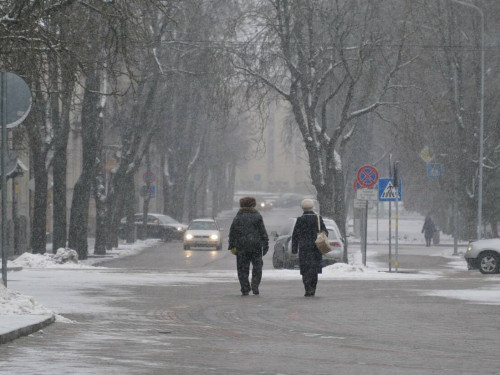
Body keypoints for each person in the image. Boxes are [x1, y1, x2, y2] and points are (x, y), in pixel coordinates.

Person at [228, 196, 269, 296]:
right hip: (256, 246)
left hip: (241, 247)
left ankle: (245, 287)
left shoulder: (238, 217)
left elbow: (232, 233)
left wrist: (232, 246)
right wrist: (265, 244)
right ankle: (255, 285)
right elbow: (263, 232)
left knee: (242, 268)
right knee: (257, 267)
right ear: (253, 205)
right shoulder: (257, 216)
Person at [291, 198, 328, 297]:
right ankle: (313, 289)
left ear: (302, 208)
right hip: (316, 248)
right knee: (314, 270)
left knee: (305, 270)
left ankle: (307, 289)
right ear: (312, 207)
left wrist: (294, 249)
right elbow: (325, 232)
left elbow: (295, 235)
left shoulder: (300, 220)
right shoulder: (318, 219)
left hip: (304, 249)